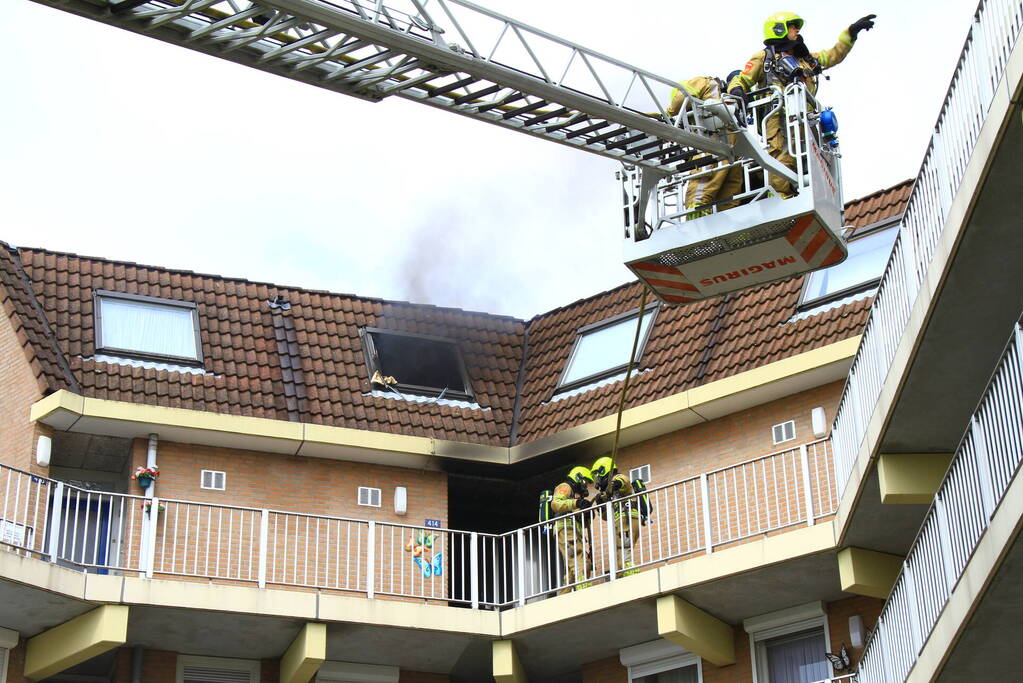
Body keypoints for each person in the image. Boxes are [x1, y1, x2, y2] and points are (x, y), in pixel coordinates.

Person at [727, 11, 877, 197]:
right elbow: (742, 79)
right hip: (777, 123)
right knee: (781, 166)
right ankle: (783, 201)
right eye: (792, 26)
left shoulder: (805, 59)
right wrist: (736, 91)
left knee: (813, 167)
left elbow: (832, 56)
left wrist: (851, 33)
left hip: (805, 122)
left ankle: (799, 197)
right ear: (779, 29)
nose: (797, 30)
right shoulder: (764, 57)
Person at [667, 72, 745, 218]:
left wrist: (668, 114)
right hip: (723, 140)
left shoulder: (704, 84)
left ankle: (705, 215)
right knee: (717, 181)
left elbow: (678, 103)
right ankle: (712, 217)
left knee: (715, 180)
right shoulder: (712, 87)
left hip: (721, 139)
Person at [591, 457, 641, 577]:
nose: (596, 480)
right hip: (619, 521)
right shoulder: (608, 493)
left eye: (597, 476)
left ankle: (629, 568)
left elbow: (623, 482)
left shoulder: (617, 477)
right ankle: (622, 573)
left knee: (623, 547)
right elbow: (605, 517)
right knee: (619, 550)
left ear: (603, 471)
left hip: (627, 517)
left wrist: (613, 485)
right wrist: (601, 503)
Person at [550, 466, 595, 594]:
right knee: (575, 555)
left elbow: (581, 520)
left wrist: (586, 513)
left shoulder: (576, 495)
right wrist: (577, 503)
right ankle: (582, 583)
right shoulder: (565, 487)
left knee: (575, 563)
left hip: (573, 530)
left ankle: (565, 595)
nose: (586, 486)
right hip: (565, 527)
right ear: (579, 477)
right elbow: (556, 504)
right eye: (585, 482)